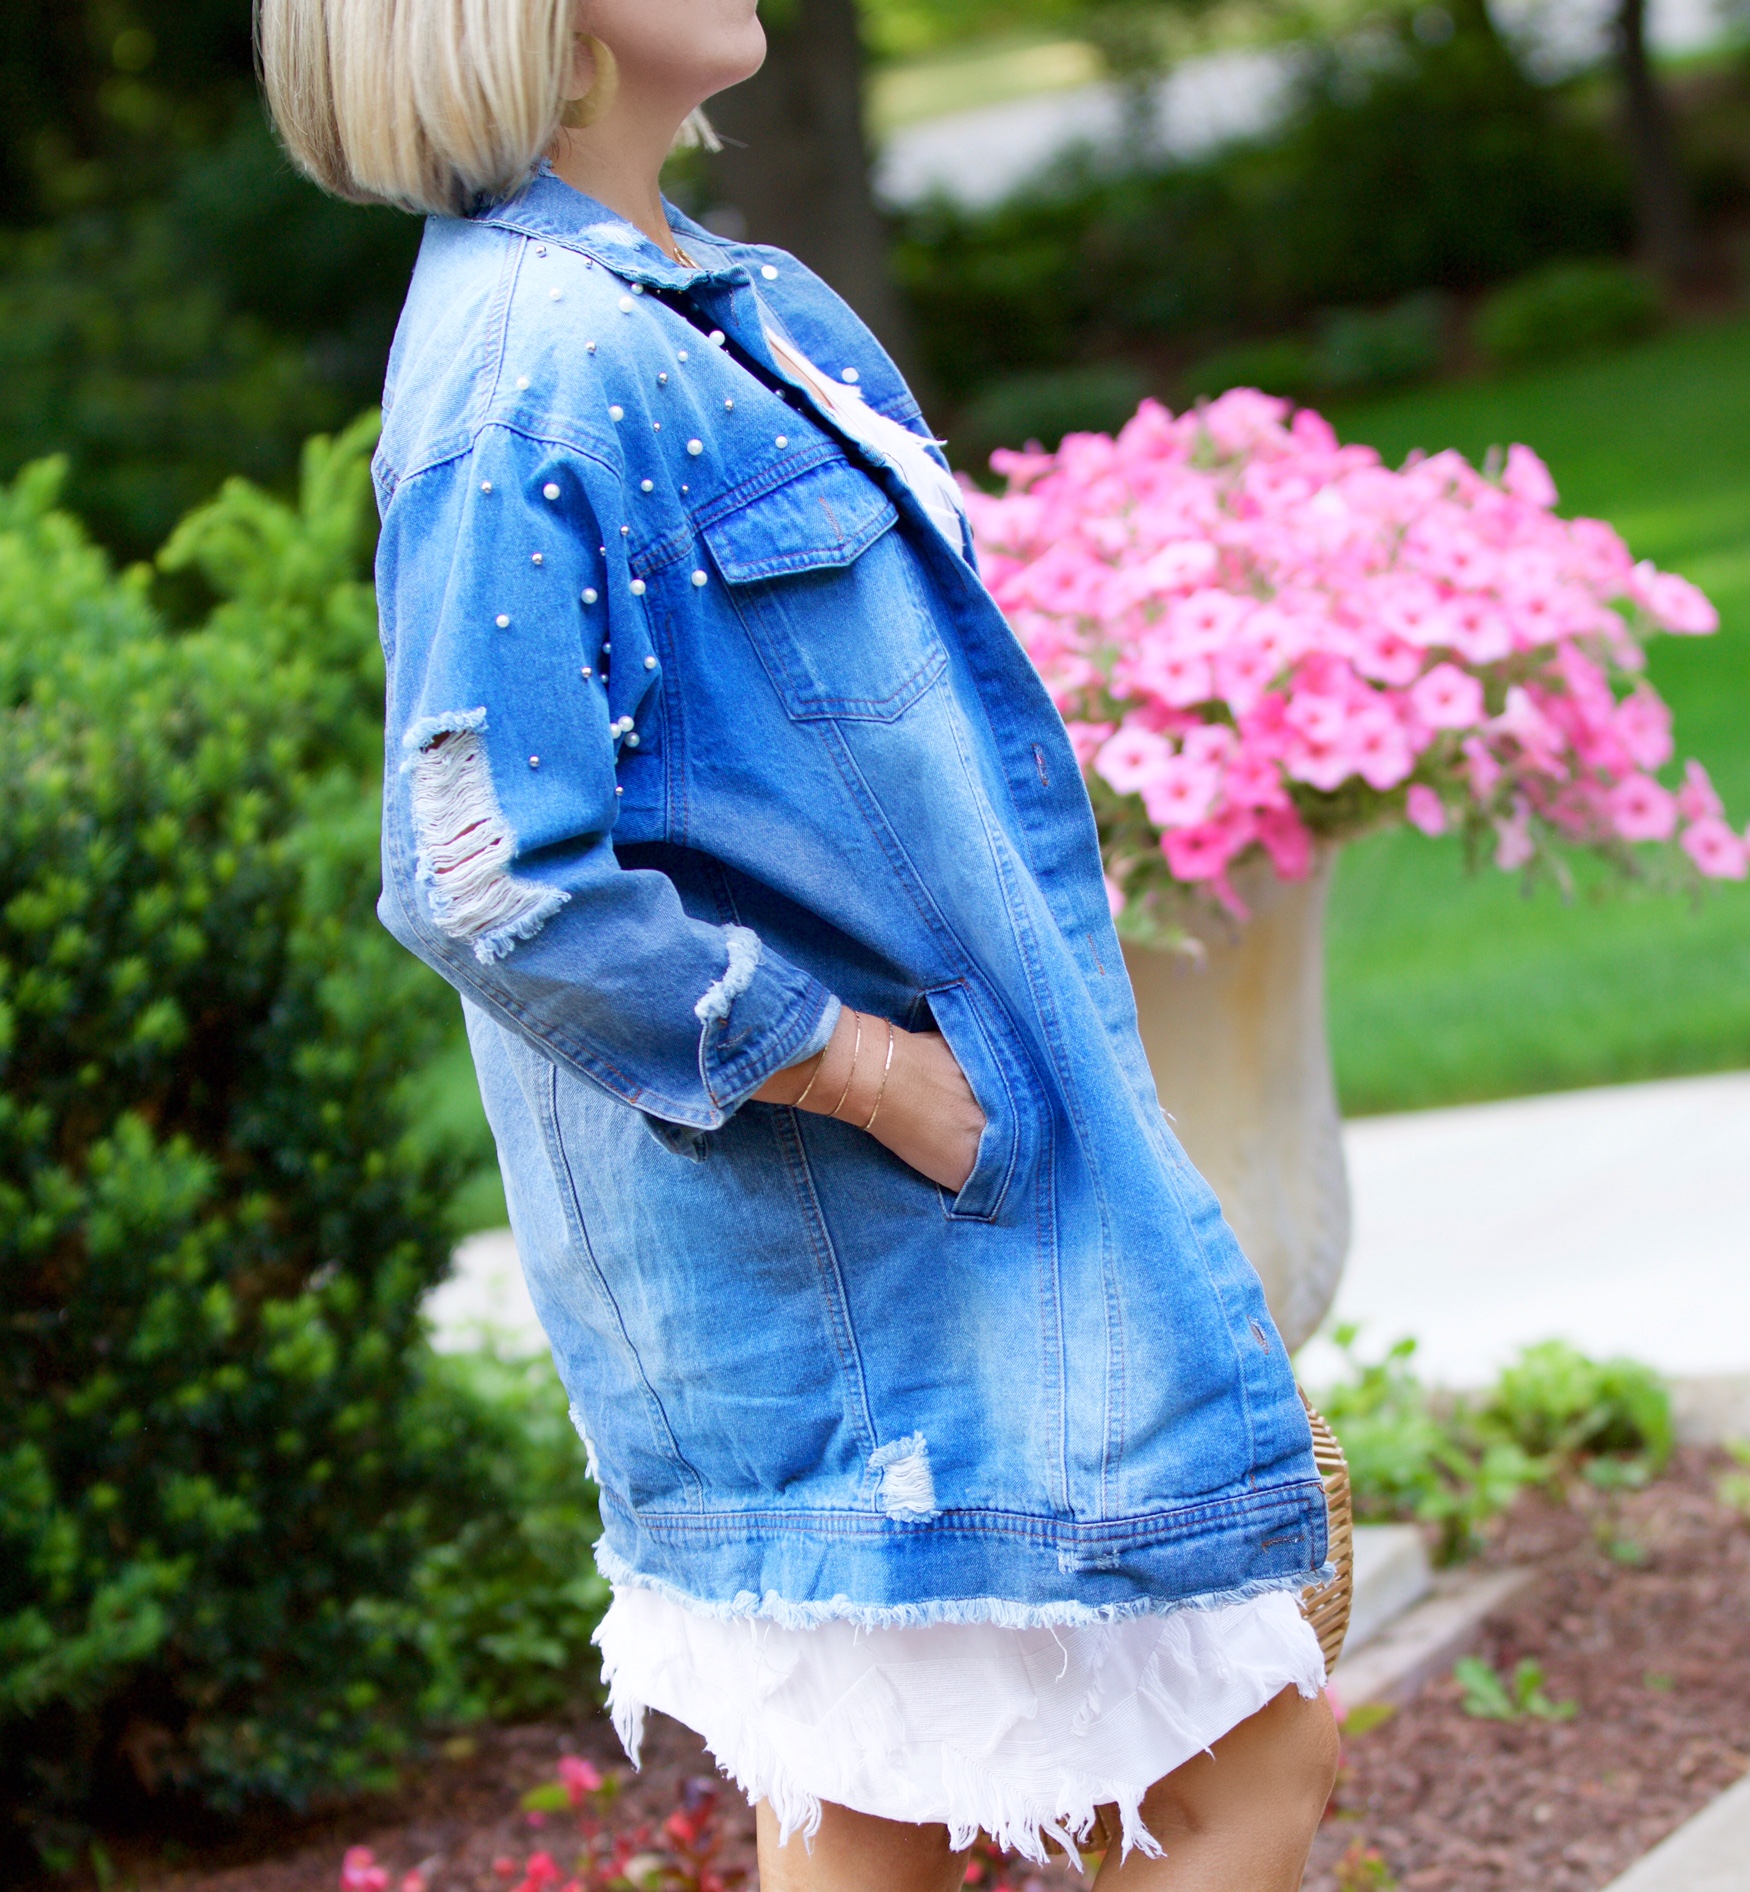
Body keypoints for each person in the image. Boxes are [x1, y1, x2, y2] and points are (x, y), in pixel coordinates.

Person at [257, 0, 1341, 1883]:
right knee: (1074, 1799)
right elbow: (487, 871)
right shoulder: (528, 374)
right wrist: (874, 1074)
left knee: (1128, 1781)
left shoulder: (730, 301)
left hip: (960, 1224)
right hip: (848, 1260)